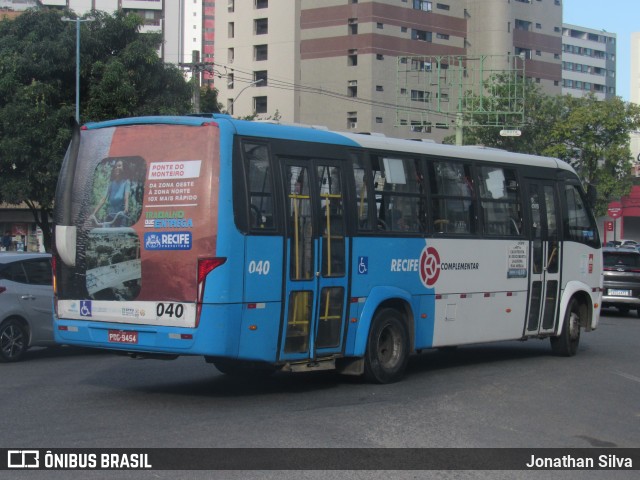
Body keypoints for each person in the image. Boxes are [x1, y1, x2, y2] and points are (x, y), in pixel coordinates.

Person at [90, 160, 131, 227]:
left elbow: (126, 198)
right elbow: (103, 199)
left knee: (121, 234)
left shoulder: (126, 182)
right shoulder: (111, 184)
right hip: (111, 215)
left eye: (119, 166)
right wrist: (94, 213)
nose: (117, 168)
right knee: (104, 232)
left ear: (123, 168)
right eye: (115, 167)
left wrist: (126, 209)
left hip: (121, 215)